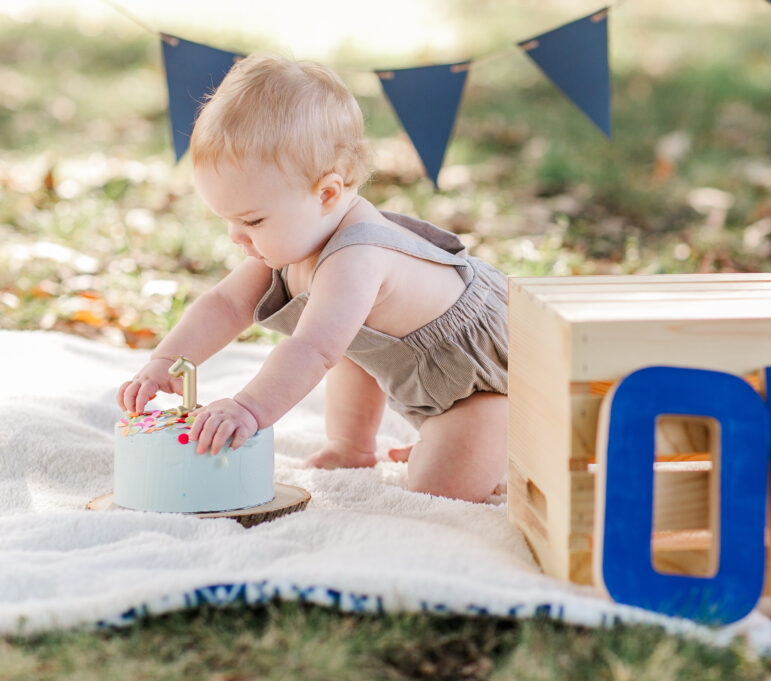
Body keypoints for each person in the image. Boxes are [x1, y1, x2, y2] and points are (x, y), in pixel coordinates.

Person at [116, 54, 509, 503]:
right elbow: (226, 305)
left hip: (484, 380)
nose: (237, 237)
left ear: (326, 193)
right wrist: (166, 361)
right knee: (349, 338)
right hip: (420, 369)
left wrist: (249, 407)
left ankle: (498, 433)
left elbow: (311, 350)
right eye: (227, 220)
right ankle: (352, 445)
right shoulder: (297, 234)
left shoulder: (359, 255)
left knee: (443, 487)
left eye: (253, 220)